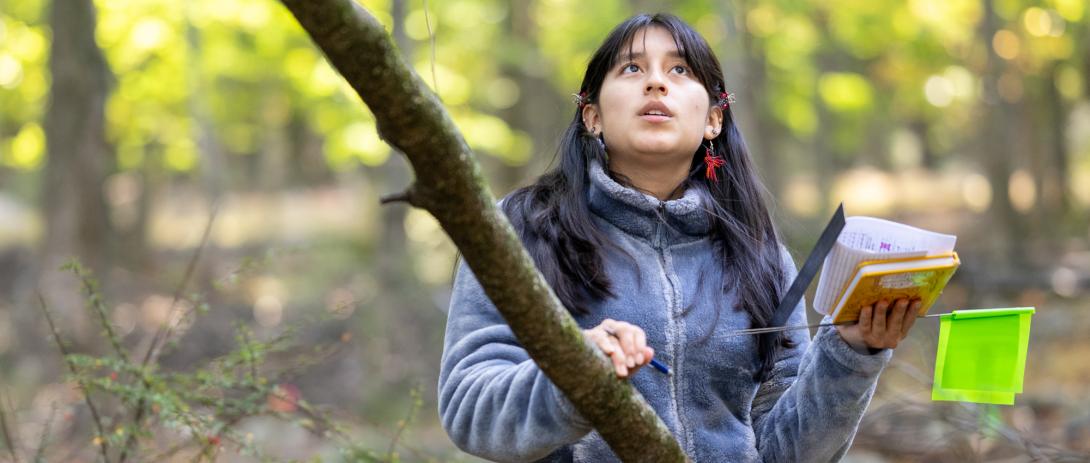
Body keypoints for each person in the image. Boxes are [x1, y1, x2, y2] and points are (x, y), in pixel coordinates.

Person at [438, 12, 920, 462]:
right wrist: (574, 375)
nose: (655, 81)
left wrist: (852, 353)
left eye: (681, 70)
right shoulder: (524, 227)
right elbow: (469, 407)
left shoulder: (759, 253)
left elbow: (783, 449)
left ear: (713, 119)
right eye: (631, 68)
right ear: (593, 116)